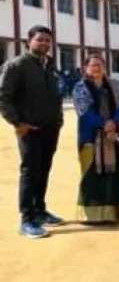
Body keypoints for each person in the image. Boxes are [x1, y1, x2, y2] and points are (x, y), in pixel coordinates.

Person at [0, 25, 64, 238]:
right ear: (29, 42)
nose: (44, 43)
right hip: (29, 129)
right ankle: (27, 219)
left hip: (50, 128)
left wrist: (58, 120)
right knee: (30, 171)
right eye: (40, 39)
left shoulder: (49, 65)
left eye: (47, 40)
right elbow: (3, 97)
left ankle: (40, 210)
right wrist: (17, 123)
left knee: (44, 169)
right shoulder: (17, 65)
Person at [72, 54, 119, 225]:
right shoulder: (80, 87)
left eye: (99, 65)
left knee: (114, 174)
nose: (96, 68)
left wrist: (114, 121)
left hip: (113, 136)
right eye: (92, 65)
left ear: (105, 67)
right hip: (91, 138)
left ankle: (114, 213)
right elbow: (84, 111)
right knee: (92, 175)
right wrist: (104, 124)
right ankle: (93, 215)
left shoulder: (114, 85)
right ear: (86, 68)